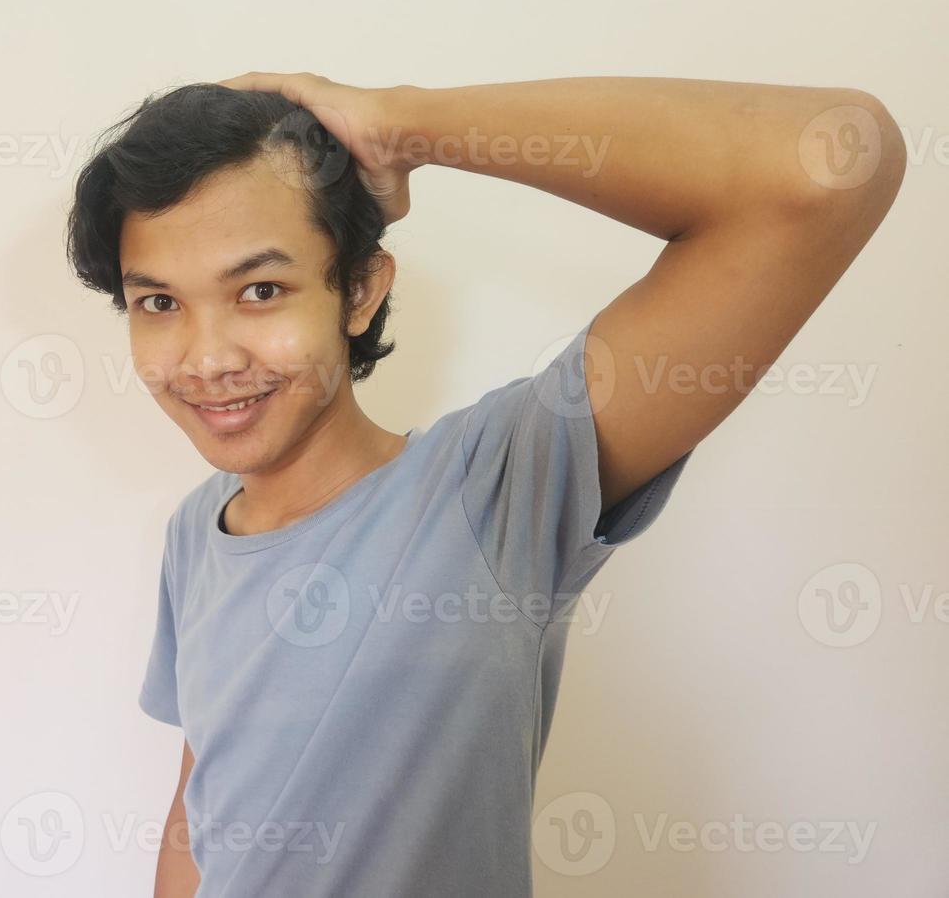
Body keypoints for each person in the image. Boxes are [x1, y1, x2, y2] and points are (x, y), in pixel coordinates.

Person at [65, 74, 905, 897]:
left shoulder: (499, 484)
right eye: (159, 303)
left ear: (358, 291)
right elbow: (202, 804)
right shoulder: (194, 532)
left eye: (260, 290)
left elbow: (832, 160)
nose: (207, 358)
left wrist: (406, 125)